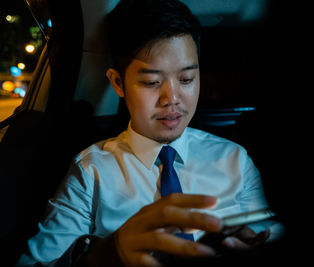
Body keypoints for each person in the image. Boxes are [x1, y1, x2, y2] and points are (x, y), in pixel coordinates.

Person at [16, 0, 273, 266]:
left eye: (186, 80)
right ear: (118, 83)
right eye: (151, 82)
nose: (172, 98)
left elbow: (269, 234)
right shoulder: (91, 172)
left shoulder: (235, 160)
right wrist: (107, 255)